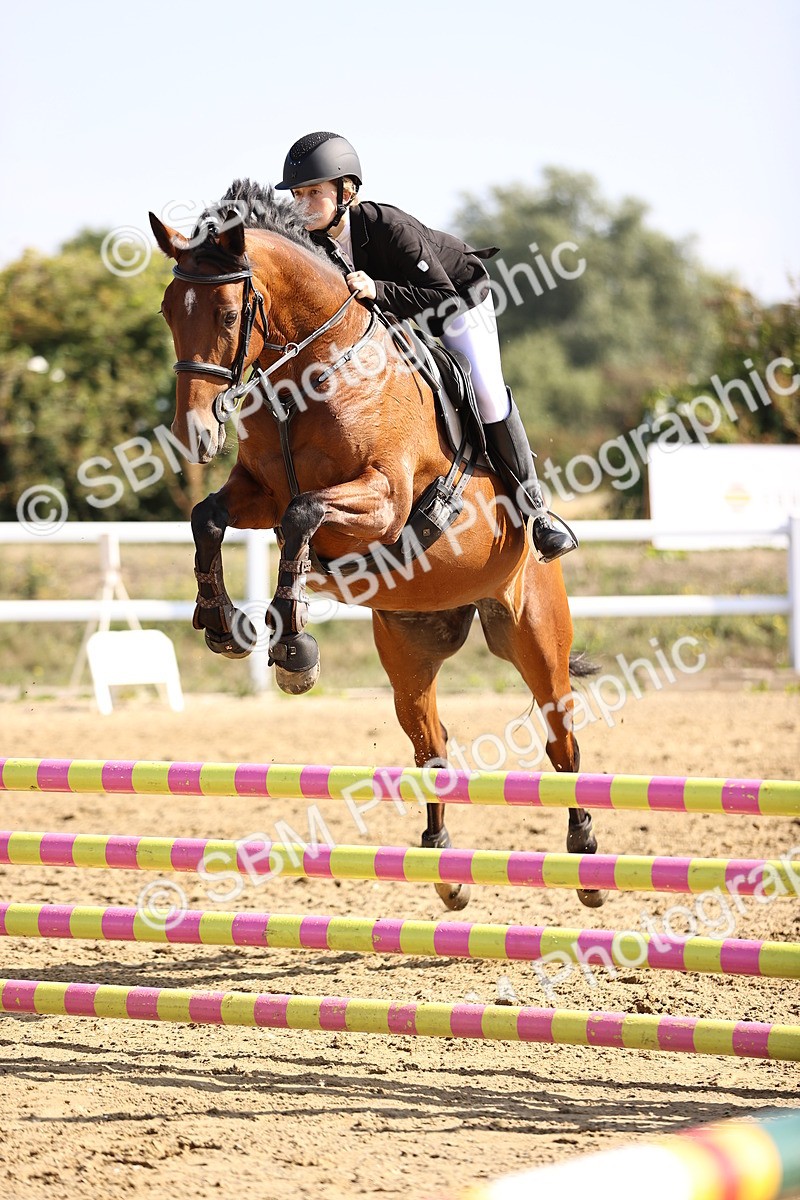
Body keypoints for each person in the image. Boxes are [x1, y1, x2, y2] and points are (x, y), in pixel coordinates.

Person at [276, 131, 576, 562]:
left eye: (314, 193)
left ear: (347, 191)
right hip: (394, 313)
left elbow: (442, 298)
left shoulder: (387, 227)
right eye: (297, 194)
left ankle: (537, 512)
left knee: (487, 394)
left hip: (457, 301)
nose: (302, 204)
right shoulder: (311, 243)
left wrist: (377, 288)